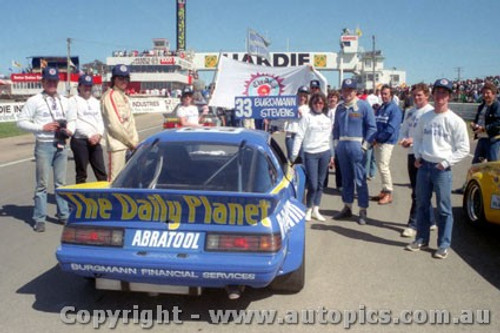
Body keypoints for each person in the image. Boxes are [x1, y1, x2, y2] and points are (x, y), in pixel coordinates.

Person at [406, 78, 470, 259]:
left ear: (449, 96)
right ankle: (421, 238)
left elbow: (463, 148)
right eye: (438, 92)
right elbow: (417, 139)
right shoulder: (425, 117)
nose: (440, 96)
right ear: (432, 94)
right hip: (424, 166)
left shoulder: (455, 120)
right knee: (422, 204)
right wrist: (418, 156)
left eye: (444, 92)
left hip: (442, 169)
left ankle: (443, 244)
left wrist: (447, 162)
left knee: (443, 208)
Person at [17, 67, 76, 232]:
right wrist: (41, 127)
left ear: (58, 82)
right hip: (44, 145)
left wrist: (70, 129)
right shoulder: (34, 100)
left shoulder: (65, 100)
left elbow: (72, 119)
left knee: (61, 183)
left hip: (61, 144)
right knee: (42, 184)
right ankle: (39, 218)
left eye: (54, 81)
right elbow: (21, 122)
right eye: (48, 81)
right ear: (42, 82)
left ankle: (63, 214)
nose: (52, 84)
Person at [333, 78, 377, 225]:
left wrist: (365, 146)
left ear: (355, 91)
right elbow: (336, 128)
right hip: (342, 146)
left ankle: (363, 209)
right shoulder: (339, 108)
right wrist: (336, 144)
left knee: (360, 179)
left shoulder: (363, 106)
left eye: (350, 90)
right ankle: (347, 206)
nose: (347, 93)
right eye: (345, 90)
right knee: (346, 179)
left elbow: (372, 128)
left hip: (357, 146)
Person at [398, 83, 436, 237]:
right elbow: (403, 130)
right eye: (414, 95)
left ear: (427, 95)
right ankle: (431, 220)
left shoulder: (431, 112)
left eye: (420, 95)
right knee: (417, 189)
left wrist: (412, 140)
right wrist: (403, 140)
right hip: (411, 154)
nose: (417, 98)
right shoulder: (410, 111)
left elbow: (428, 136)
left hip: (424, 155)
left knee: (418, 192)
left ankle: (413, 224)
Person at [291, 92, 333, 222]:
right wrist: (294, 155)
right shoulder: (306, 117)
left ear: (324, 104)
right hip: (310, 153)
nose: (318, 105)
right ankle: (308, 208)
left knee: (321, 184)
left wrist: (332, 154)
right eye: (315, 102)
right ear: (311, 104)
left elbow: (330, 138)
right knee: (313, 184)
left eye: (320, 103)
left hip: (324, 152)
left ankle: (316, 208)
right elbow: (299, 136)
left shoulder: (327, 119)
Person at [101, 64, 139, 182]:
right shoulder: (109, 96)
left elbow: (131, 123)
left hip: (131, 146)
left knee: (130, 180)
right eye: (120, 78)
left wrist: (136, 141)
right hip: (118, 146)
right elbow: (114, 125)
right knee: (116, 181)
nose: (124, 81)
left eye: (126, 78)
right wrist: (131, 142)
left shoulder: (125, 97)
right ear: (114, 79)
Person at [69, 74, 107, 184]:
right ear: (79, 86)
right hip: (80, 140)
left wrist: (99, 135)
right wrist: (89, 135)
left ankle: (104, 197)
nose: (87, 88)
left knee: (101, 172)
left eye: (89, 86)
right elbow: (74, 121)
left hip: (95, 140)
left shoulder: (95, 102)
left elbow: (100, 120)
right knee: (81, 173)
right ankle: (80, 198)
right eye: (85, 86)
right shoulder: (74, 100)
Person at [372, 85, 402, 205]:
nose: (383, 96)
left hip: (387, 142)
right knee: (380, 166)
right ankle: (384, 190)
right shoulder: (381, 108)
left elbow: (390, 129)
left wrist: (378, 139)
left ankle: (388, 193)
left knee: (384, 167)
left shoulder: (395, 109)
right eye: (382, 94)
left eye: (386, 94)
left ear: (391, 95)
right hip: (378, 141)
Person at [470, 81, 500, 162]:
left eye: (488, 93)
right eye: (483, 93)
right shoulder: (481, 106)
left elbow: (498, 123)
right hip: (482, 138)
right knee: (476, 163)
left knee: (492, 165)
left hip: (492, 140)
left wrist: (484, 129)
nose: (485, 95)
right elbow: (477, 119)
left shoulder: (497, 106)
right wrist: (473, 124)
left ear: (494, 94)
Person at [284, 85, 310, 160]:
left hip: (302, 136)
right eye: (300, 95)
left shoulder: (309, 108)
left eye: (304, 96)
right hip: (290, 135)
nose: (302, 98)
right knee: (291, 159)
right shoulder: (290, 106)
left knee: (301, 159)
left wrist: (302, 114)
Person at [326, 90, 342, 190]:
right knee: (326, 161)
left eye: (334, 97)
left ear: (337, 99)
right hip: (326, 137)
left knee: (338, 161)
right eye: (330, 97)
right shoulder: (324, 110)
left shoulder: (340, 110)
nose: (332, 99)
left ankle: (339, 184)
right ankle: (323, 184)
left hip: (337, 137)